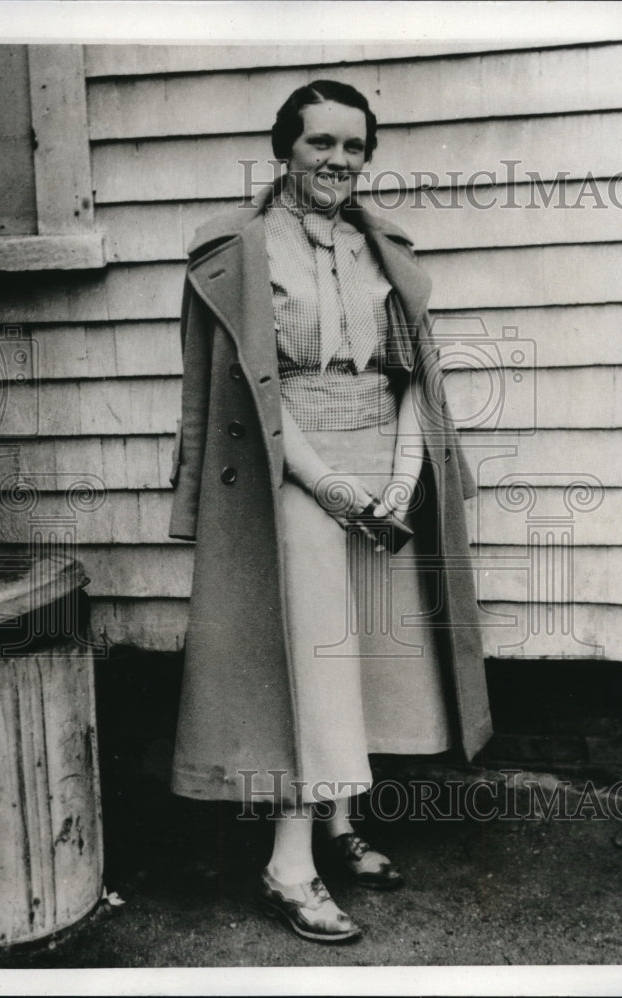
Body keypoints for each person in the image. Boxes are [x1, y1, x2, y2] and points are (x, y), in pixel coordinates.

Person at [168, 79, 492, 943]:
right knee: (306, 669)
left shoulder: (380, 248)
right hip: (290, 478)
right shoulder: (236, 250)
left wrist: (397, 480)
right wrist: (332, 488)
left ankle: (340, 826)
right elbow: (249, 400)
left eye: (353, 146)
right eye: (321, 143)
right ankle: (288, 864)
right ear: (286, 147)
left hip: (379, 467)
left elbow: (416, 381)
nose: (338, 161)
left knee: (361, 657)